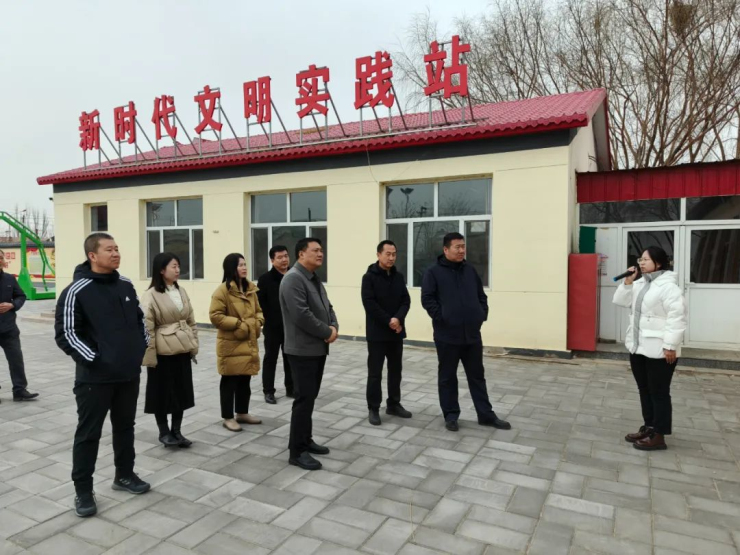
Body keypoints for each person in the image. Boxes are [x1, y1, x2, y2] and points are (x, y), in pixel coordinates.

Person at [54, 233, 151, 518]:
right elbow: (67, 334)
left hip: (128, 374)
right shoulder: (76, 290)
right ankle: (83, 490)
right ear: (92, 256)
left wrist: (139, 349)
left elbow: (139, 320)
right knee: (88, 434)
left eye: (117, 248)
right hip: (94, 379)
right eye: (109, 249)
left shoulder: (125, 284)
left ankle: (125, 475)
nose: (116, 253)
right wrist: (97, 360)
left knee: (125, 427)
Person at [421, 232, 511, 433]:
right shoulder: (433, 272)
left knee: (477, 376)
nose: (462, 250)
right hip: (447, 335)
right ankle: (451, 415)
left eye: (463, 246)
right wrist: (443, 318)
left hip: (472, 334)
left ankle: (486, 415)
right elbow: (427, 299)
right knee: (448, 377)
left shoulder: (470, 270)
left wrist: (481, 314)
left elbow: (481, 295)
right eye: (457, 247)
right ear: (446, 249)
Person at [613, 246, 686, 451]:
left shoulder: (669, 287)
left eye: (645, 259)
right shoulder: (640, 283)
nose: (641, 262)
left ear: (659, 263)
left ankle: (659, 435)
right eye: (640, 259)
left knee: (659, 392)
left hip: (660, 350)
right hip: (638, 347)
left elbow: (677, 317)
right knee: (644, 389)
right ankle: (649, 427)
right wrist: (628, 282)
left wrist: (670, 345)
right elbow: (620, 301)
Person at [279, 237, 337, 471]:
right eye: (315, 250)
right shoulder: (293, 279)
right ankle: (297, 451)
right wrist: (327, 331)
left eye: (321, 250)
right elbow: (301, 315)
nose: (320, 254)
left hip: (317, 349)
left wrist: (334, 326)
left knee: (310, 397)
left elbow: (328, 306)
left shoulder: (313, 278)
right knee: (303, 400)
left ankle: (306, 439)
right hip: (302, 350)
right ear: (301, 254)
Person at [141, 253, 198, 448]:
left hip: (182, 348)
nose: (178, 270)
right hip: (162, 351)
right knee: (161, 392)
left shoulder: (181, 290)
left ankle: (177, 431)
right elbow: (147, 327)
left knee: (182, 391)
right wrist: (150, 355)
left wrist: (193, 344)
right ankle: (164, 431)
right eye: (173, 266)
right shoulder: (151, 295)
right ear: (161, 270)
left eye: (178, 266)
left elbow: (191, 320)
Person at [210, 253, 264, 432]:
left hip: (248, 342)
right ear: (231, 268)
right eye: (240, 265)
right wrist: (238, 324)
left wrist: (258, 322)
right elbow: (215, 316)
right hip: (231, 343)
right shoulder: (222, 291)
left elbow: (258, 310)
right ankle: (228, 417)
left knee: (245, 379)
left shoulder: (250, 289)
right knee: (229, 380)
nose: (244, 268)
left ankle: (242, 412)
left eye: (245, 264)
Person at [361, 240, 412, 426]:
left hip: (396, 332)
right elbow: (369, 304)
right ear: (378, 255)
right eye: (387, 254)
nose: (391, 258)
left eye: (394, 254)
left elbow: (406, 300)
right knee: (375, 373)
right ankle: (373, 408)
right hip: (377, 333)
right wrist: (389, 320)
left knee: (395, 370)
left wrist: (398, 318)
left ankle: (394, 404)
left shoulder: (398, 276)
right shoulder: (369, 277)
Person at [0, 249, 39, 402]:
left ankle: (20, 390)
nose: (0, 260)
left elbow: (21, 296)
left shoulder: (10, 279)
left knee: (16, 359)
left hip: (9, 329)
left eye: (1, 257)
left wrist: (12, 305)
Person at [257, 245, 294, 404]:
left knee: (290, 358)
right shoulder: (265, 279)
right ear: (272, 260)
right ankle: (268, 391)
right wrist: (267, 321)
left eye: (286, 256)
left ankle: (291, 388)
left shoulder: (294, 275)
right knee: (270, 359)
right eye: (280, 257)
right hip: (273, 327)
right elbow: (260, 304)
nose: (284, 259)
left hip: (292, 327)